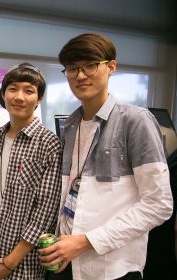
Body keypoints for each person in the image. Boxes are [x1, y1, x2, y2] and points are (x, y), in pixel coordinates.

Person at [39, 33, 174, 280]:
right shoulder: (71, 125)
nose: (80, 75)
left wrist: (86, 241)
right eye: (72, 68)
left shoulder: (135, 121)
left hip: (110, 268)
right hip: (67, 260)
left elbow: (159, 204)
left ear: (111, 67)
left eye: (90, 65)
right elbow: (72, 191)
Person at [0, 63, 63, 279]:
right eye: (13, 89)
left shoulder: (48, 143)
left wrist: (10, 263)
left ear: (39, 99)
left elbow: (45, 212)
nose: (19, 97)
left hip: (21, 264)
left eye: (29, 91)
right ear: (3, 94)